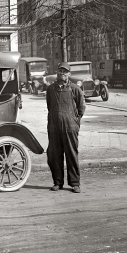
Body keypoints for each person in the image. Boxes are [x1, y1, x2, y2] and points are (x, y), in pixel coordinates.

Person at [46, 62, 86, 193]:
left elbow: (81, 108)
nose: (62, 73)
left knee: (71, 155)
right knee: (54, 156)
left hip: (70, 128)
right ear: (57, 72)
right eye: (60, 71)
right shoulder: (51, 89)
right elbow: (49, 106)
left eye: (65, 71)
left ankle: (75, 183)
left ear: (69, 74)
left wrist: (75, 122)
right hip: (54, 128)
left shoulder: (75, 89)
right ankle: (58, 182)